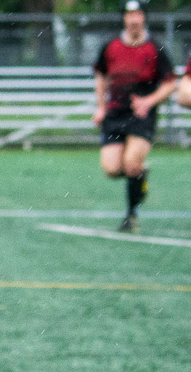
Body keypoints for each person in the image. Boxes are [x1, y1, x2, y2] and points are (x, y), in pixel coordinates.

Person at [92, 0, 176, 234]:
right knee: (111, 168)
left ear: (144, 17)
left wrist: (149, 101)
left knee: (130, 164)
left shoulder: (155, 48)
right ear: (124, 18)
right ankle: (140, 174)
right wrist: (100, 107)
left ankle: (131, 216)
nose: (134, 19)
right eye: (130, 15)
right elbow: (100, 76)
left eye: (138, 14)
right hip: (115, 113)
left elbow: (171, 83)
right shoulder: (110, 46)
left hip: (141, 115)